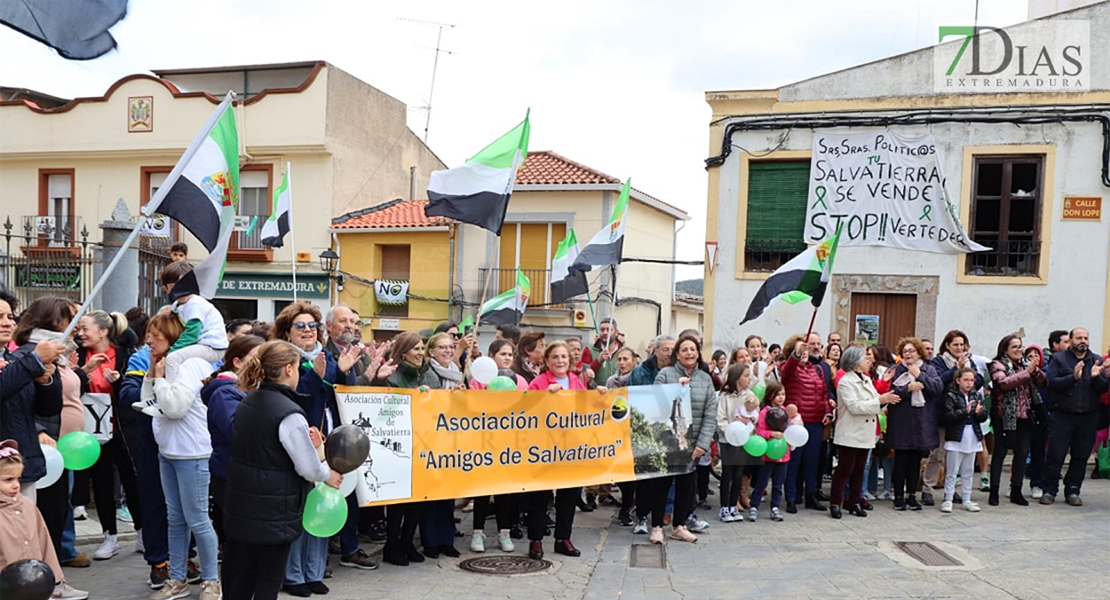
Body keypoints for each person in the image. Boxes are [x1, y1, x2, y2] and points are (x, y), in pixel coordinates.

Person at [222, 341, 343, 600]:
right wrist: (326, 472)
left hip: (243, 504)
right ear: (288, 369)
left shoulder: (249, 400)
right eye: (299, 368)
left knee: (245, 575)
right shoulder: (289, 413)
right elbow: (308, 468)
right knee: (268, 580)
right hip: (274, 510)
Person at [271, 302, 368, 588]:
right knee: (303, 511)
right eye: (300, 326)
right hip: (302, 442)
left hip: (329, 444)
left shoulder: (324, 355)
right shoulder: (283, 358)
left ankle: (313, 573)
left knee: (323, 507)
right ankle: (293, 576)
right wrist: (315, 374)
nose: (307, 331)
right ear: (288, 332)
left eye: (312, 326)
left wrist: (345, 372)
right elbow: (296, 396)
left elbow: (344, 394)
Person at [140, 312, 221, 600]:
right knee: (175, 518)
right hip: (168, 452)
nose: (149, 340)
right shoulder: (165, 363)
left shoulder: (190, 365)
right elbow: (148, 401)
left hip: (192, 453)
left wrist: (160, 379)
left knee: (198, 518)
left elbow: (174, 408)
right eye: (149, 334)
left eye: (156, 335)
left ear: (173, 337)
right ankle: (178, 580)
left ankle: (211, 581)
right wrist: (153, 374)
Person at [73, 309, 143, 561]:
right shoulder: (78, 355)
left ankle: (141, 532)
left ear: (103, 331)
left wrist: (118, 380)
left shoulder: (126, 353)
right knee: (101, 483)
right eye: (78, 329)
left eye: (85, 328)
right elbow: (69, 387)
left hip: (124, 428)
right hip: (92, 430)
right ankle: (109, 536)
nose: (80, 334)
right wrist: (84, 370)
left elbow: (135, 388)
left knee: (133, 481)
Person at [525, 341, 600, 559]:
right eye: (555, 357)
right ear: (546, 361)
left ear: (570, 360)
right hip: (544, 450)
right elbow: (526, 412)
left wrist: (601, 396)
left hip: (571, 450)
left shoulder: (576, 382)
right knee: (539, 496)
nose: (560, 361)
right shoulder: (538, 383)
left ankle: (563, 538)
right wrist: (544, 397)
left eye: (564, 357)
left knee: (568, 496)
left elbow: (586, 410)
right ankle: (536, 540)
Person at [0, 440, 88, 599]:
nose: (16, 485)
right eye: (8, 480)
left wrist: (54, 577)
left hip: (33, 584)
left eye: (18, 479)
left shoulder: (27, 505)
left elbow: (43, 540)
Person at [650, 334, 718, 542]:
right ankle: (657, 527)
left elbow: (710, 414)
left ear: (698, 354)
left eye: (693, 349)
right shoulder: (665, 374)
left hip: (693, 443)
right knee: (662, 485)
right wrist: (675, 390)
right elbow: (654, 402)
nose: (689, 353)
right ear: (677, 354)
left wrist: (702, 444)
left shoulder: (705, 379)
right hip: (668, 441)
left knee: (686, 485)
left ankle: (679, 526)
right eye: (684, 350)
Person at [202, 334, 265, 552]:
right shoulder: (224, 392)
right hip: (230, 473)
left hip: (247, 472)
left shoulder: (252, 389)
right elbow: (234, 430)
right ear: (237, 362)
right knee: (238, 537)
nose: (261, 365)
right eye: (255, 358)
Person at [0, 293, 64, 505]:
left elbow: (48, 409)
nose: (8, 323)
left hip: (21, 467)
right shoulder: (25, 362)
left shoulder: (14, 361)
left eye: (10, 316)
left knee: (22, 533)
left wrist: (45, 382)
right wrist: (35, 360)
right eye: (0, 317)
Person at [381, 332, 433, 566]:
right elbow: (385, 413)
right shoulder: (393, 378)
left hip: (423, 443)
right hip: (399, 446)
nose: (420, 353)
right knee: (398, 501)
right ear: (403, 353)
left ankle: (407, 541)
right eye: (415, 349)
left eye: (422, 348)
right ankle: (391, 545)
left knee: (418, 499)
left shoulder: (429, 375)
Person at [1041, 327, 1108, 506]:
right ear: (1070, 341)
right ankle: (1049, 490)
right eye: (1079, 338)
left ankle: (1073, 490)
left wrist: (1096, 377)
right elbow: (1052, 383)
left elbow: (1103, 388)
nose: (1083, 341)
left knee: (1081, 455)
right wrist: (1074, 377)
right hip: (1063, 415)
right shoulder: (1059, 359)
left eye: (1086, 338)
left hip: (1088, 416)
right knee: (1056, 454)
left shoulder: (1096, 360)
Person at [831, 346, 900, 519]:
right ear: (855, 362)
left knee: (860, 469)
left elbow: (874, 400)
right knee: (845, 468)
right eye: (865, 359)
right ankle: (835, 502)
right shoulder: (846, 381)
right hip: (851, 431)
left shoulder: (867, 379)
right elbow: (855, 406)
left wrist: (886, 400)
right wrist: (880, 400)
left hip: (866, 431)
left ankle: (854, 501)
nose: (869, 361)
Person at [921, 330, 984, 506]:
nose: (959, 347)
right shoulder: (938, 361)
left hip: (962, 417)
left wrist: (965, 369)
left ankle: (952, 490)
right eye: (955, 344)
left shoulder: (969, 361)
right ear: (947, 345)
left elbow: (978, 380)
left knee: (956, 456)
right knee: (938, 454)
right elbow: (939, 382)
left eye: (961, 344)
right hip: (943, 415)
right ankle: (928, 489)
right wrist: (957, 369)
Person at [147, 262, 227, 392]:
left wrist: (172, 350)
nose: (183, 290)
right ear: (166, 289)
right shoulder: (177, 306)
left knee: (173, 358)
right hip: (204, 346)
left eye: (186, 285)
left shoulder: (195, 303)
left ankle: (169, 393)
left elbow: (192, 333)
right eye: (176, 287)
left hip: (213, 347)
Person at [988, 335, 1047, 506]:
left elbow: (1043, 383)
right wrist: (1026, 373)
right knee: (1000, 454)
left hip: (1025, 416)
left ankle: (1016, 491)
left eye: (1020, 346)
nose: (1019, 350)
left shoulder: (1025, 364)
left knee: (1021, 454)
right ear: (1004, 349)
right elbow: (1004, 383)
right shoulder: (997, 364)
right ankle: (994, 491)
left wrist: (1034, 370)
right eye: (1014, 347)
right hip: (1004, 417)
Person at [778, 332, 835, 513]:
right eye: (801, 350)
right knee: (794, 462)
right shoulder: (787, 368)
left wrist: (828, 411)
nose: (805, 352)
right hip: (797, 423)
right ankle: (791, 498)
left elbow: (824, 393)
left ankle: (811, 495)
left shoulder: (816, 369)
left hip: (816, 421)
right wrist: (795, 355)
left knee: (812, 461)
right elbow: (787, 370)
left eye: (806, 349)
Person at [885, 337, 943, 511]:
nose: (908, 354)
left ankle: (912, 495)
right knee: (901, 460)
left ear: (919, 353)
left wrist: (920, 375)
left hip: (921, 422)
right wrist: (906, 389)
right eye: (905, 351)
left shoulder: (929, 369)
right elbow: (887, 392)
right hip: (901, 422)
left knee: (915, 461)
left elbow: (937, 389)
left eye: (912, 351)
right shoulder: (895, 370)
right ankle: (898, 496)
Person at [419, 332, 463, 559]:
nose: (448, 350)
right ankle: (430, 541)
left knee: (448, 494)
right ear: (432, 351)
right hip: (429, 440)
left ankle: (447, 539)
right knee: (431, 495)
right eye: (442, 347)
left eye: (450, 346)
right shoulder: (427, 373)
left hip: (451, 440)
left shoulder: (457, 372)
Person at [941, 368, 988, 513]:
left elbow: (983, 416)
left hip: (972, 435)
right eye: (966, 380)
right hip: (957, 435)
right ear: (958, 380)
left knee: (969, 470)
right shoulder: (951, 395)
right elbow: (948, 416)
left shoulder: (976, 395)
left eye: (971, 380)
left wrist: (979, 413)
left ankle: (966, 498)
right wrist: (965, 411)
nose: (969, 383)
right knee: (952, 471)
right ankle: (948, 498)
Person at [1029, 330, 1070, 499]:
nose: (1070, 344)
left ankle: (1053, 484)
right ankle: (1037, 484)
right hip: (1043, 412)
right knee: (1038, 450)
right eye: (1066, 341)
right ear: (1055, 344)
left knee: (1055, 451)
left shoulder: (1072, 360)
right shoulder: (1049, 363)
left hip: (1062, 412)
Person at [716, 363, 759, 522]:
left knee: (739, 472)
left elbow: (755, 414)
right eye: (746, 376)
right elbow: (720, 418)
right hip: (727, 439)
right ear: (736, 378)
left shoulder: (749, 395)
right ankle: (724, 507)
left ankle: (733, 505)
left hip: (744, 439)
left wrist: (749, 424)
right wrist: (731, 431)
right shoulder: (725, 396)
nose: (749, 379)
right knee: (727, 473)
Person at [749, 381, 789, 522]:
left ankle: (775, 507)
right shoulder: (765, 412)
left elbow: (790, 430)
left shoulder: (785, 412)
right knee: (762, 482)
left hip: (783, 453)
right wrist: (771, 434)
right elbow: (760, 431)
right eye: (777, 394)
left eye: (783, 394)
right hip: (768, 454)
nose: (781, 397)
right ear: (770, 396)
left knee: (779, 483)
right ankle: (754, 506)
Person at [324, 305, 371, 380]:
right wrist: (365, 378)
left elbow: (372, 386)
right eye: (343, 321)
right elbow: (332, 386)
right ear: (329, 326)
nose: (349, 326)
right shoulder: (324, 355)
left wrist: (380, 378)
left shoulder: (362, 354)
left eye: (352, 322)